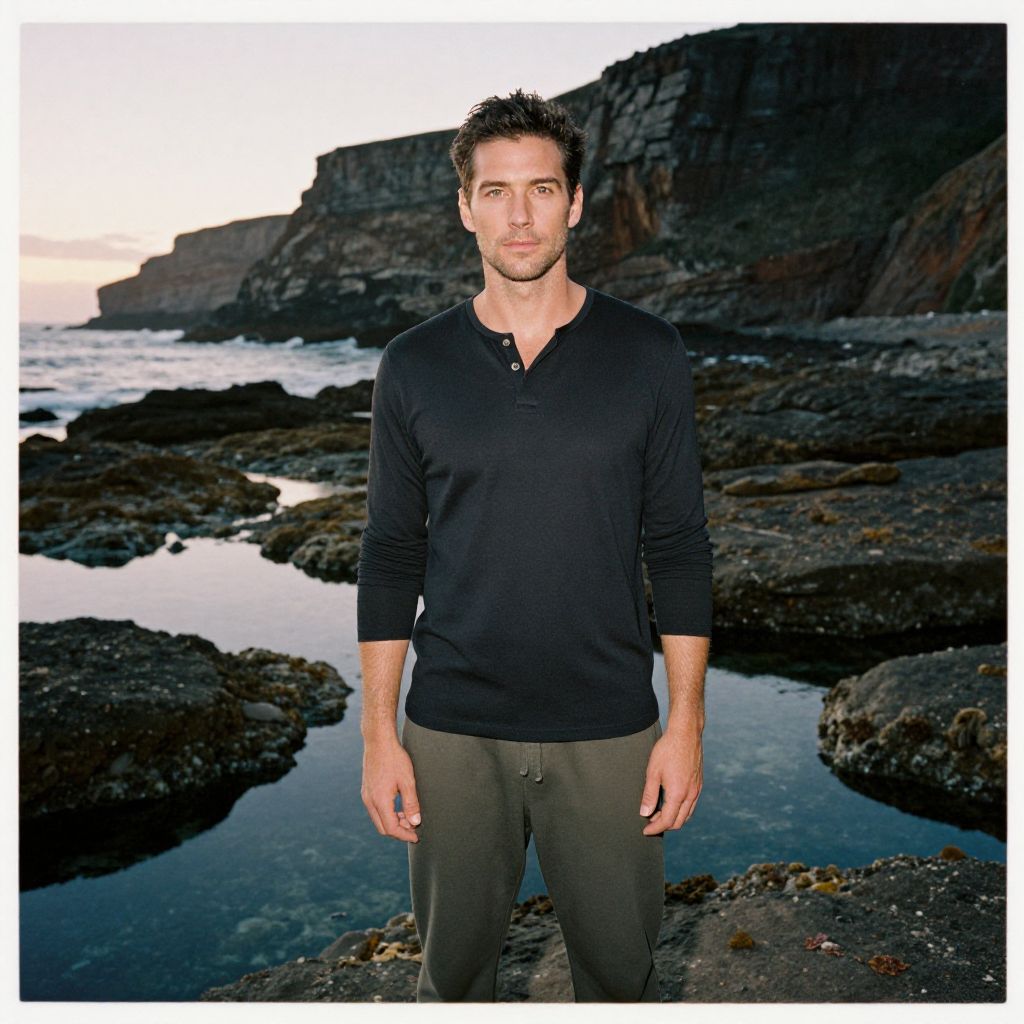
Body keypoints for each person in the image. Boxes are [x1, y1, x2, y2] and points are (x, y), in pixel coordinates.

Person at [356, 88, 712, 1003]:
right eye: (498, 191)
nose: (520, 214)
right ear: (465, 206)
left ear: (577, 202)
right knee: (454, 983)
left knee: (620, 980)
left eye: (542, 189)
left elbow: (677, 546)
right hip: (450, 732)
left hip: (609, 731)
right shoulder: (413, 364)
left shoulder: (649, 352)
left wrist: (685, 726)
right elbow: (392, 553)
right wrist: (378, 738)